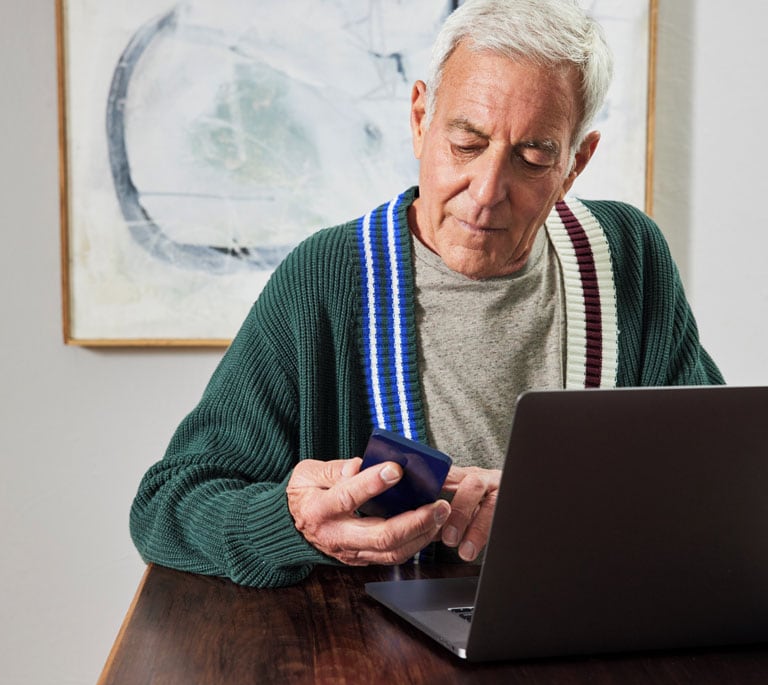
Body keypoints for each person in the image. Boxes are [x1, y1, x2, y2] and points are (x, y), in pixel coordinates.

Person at [130, 0, 723, 588]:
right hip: (370, 661)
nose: (487, 191)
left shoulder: (628, 257)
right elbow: (166, 507)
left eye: (533, 156)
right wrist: (293, 522)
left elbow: (719, 479)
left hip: (585, 637)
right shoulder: (327, 278)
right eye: (466, 143)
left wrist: (548, 502)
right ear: (420, 118)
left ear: (575, 163)